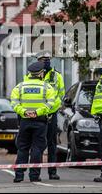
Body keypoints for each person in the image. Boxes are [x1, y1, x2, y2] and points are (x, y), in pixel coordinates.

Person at [11, 61, 57, 183]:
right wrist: (37, 112)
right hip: (40, 122)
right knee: (37, 148)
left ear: (29, 73)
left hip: (25, 121)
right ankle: (34, 176)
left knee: (22, 148)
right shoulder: (47, 88)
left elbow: (14, 103)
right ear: (41, 73)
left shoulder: (20, 87)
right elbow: (50, 104)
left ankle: (19, 175)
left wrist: (24, 112)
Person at [24, 51, 65, 180]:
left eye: (47, 59)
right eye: (43, 60)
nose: (46, 62)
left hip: (51, 115)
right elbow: (25, 95)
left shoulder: (57, 76)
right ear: (38, 61)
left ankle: (52, 172)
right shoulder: (29, 76)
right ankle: (35, 173)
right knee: (37, 145)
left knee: (52, 144)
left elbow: (60, 95)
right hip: (36, 116)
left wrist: (50, 109)